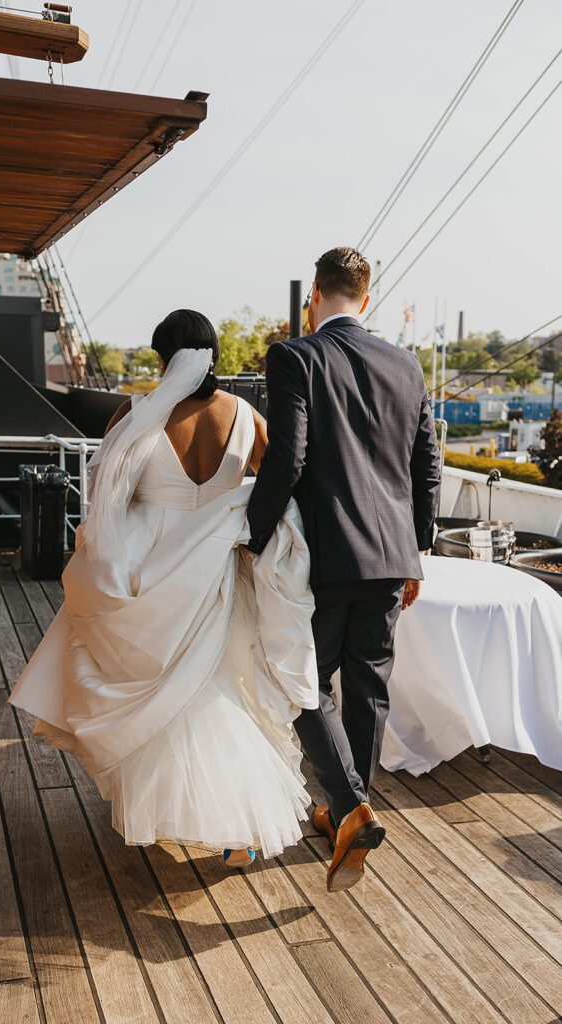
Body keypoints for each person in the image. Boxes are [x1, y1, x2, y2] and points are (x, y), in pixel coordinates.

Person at [9, 310, 320, 868]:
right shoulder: (246, 416)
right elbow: (282, 478)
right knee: (223, 686)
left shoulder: (137, 414)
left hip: (149, 570)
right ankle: (236, 826)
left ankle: (179, 813)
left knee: (164, 692)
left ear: (163, 358)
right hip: (218, 573)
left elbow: (105, 493)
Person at [246, 247, 441, 892]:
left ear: (314, 300)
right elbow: (426, 469)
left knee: (303, 683)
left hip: (327, 556)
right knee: (367, 688)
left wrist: (252, 534)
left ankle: (349, 808)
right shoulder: (408, 366)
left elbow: (288, 459)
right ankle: (347, 809)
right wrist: (417, 552)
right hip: (390, 560)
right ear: (365, 298)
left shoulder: (295, 356)